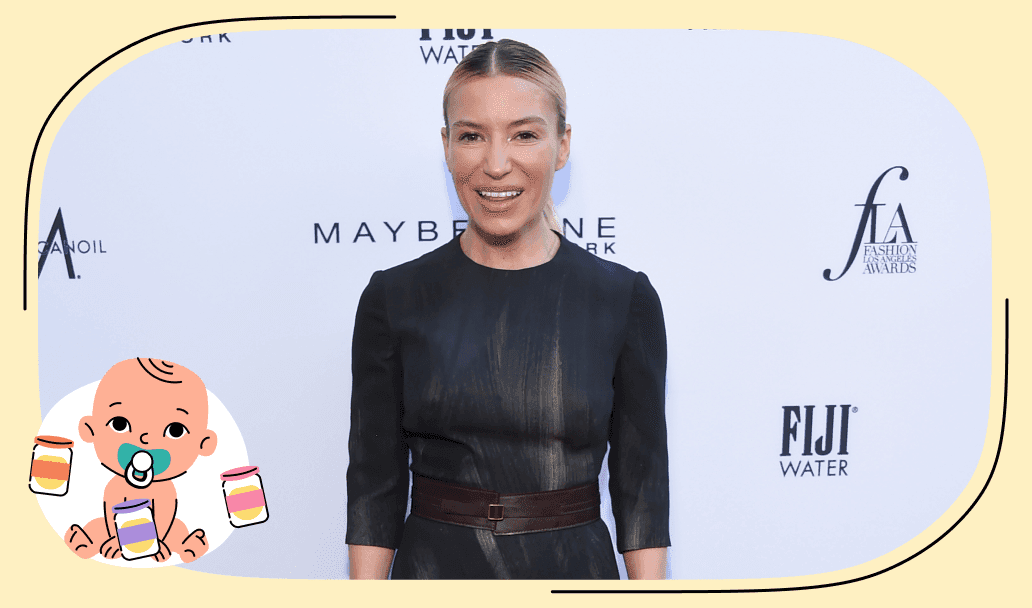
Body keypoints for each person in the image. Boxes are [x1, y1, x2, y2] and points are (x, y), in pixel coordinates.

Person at [346, 39, 669, 579]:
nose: (496, 165)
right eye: (472, 136)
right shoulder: (394, 298)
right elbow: (373, 489)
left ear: (562, 145)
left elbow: (643, 491)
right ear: (447, 146)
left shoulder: (622, 299)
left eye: (524, 134)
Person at [64, 358, 217, 562]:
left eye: (175, 430)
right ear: (90, 430)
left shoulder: (165, 490)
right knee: (100, 526)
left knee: (176, 528)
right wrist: (117, 538)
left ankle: (186, 544)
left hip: (160, 531)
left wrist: (156, 541)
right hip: (118, 529)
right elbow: (111, 515)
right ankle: (89, 541)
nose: (145, 439)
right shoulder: (115, 487)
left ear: (203, 443)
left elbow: (164, 516)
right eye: (119, 424)